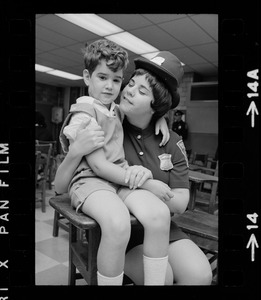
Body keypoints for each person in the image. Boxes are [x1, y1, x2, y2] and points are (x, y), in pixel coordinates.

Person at [55, 50, 212, 285]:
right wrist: (143, 181)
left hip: (159, 226)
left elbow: (179, 202)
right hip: (117, 228)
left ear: (157, 106)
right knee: (165, 277)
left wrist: (161, 120)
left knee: (200, 275)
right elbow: (70, 181)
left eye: (142, 91)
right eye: (131, 84)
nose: (127, 91)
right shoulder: (112, 122)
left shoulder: (170, 139)